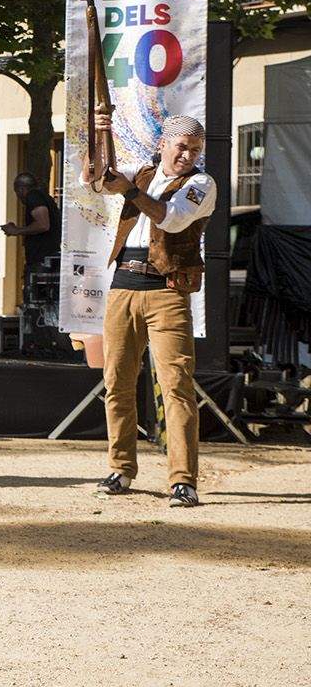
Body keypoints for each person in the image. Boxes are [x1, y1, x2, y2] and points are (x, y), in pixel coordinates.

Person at [89, 112, 215, 508]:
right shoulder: (139, 172)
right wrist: (99, 135)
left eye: (195, 150)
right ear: (164, 143)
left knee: (176, 384)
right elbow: (93, 178)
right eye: (182, 147)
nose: (187, 155)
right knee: (117, 382)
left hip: (168, 290)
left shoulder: (201, 183)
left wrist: (128, 191)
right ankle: (121, 468)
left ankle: (183, 480)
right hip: (124, 285)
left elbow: (172, 219)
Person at [1, 172, 61, 281]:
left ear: (21, 189)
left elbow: (43, 225)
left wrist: (17, 230)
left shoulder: (33, 196)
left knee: (36, 295)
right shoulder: (45, 197)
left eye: (17, 192)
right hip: (48, 260)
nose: (18, 197)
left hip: (42, 261)